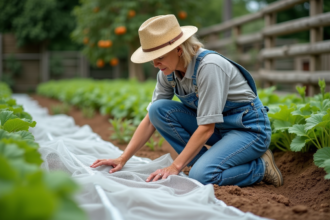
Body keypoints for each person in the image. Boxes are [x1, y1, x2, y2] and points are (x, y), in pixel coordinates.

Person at [90, 14, 283, 187]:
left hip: (247, 130)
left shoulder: (209, 67)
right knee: (158, 109)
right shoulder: (167, 73)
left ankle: (259, 168)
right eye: (151, 59)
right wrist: (122, 158)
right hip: (219, 128)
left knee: (202, 177)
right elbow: (150, 119)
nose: (156, 65)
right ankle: (205, 163)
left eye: (160, 57)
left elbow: (206, 127)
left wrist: (175, 166)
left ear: (179, 49)